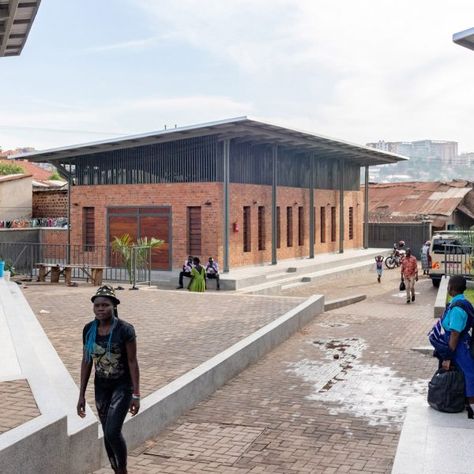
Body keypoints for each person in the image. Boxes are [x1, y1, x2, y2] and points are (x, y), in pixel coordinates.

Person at [77, 285, 140, 474]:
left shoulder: (125, 330)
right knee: (106, 432)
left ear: (114, 307)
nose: (100, 309)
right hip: (102, 387)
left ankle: (122, 470)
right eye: (97, 306)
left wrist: (136, 394)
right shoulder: (89, 330)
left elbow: (132, 361)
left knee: (113, 431)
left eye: (105, 305)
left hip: (122, 386)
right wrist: (81, 395)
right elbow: (87, 361)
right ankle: (116, 469)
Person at [433, 275, 474, 414]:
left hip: (458, 346)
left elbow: (455, 334)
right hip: (458, 343)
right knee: (462, 372)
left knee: (469, 373)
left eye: (449, 285)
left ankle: (471, 405)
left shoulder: (457, 308)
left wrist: (448, 357)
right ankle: (457, 400)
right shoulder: (461, 302)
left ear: (451, 288)